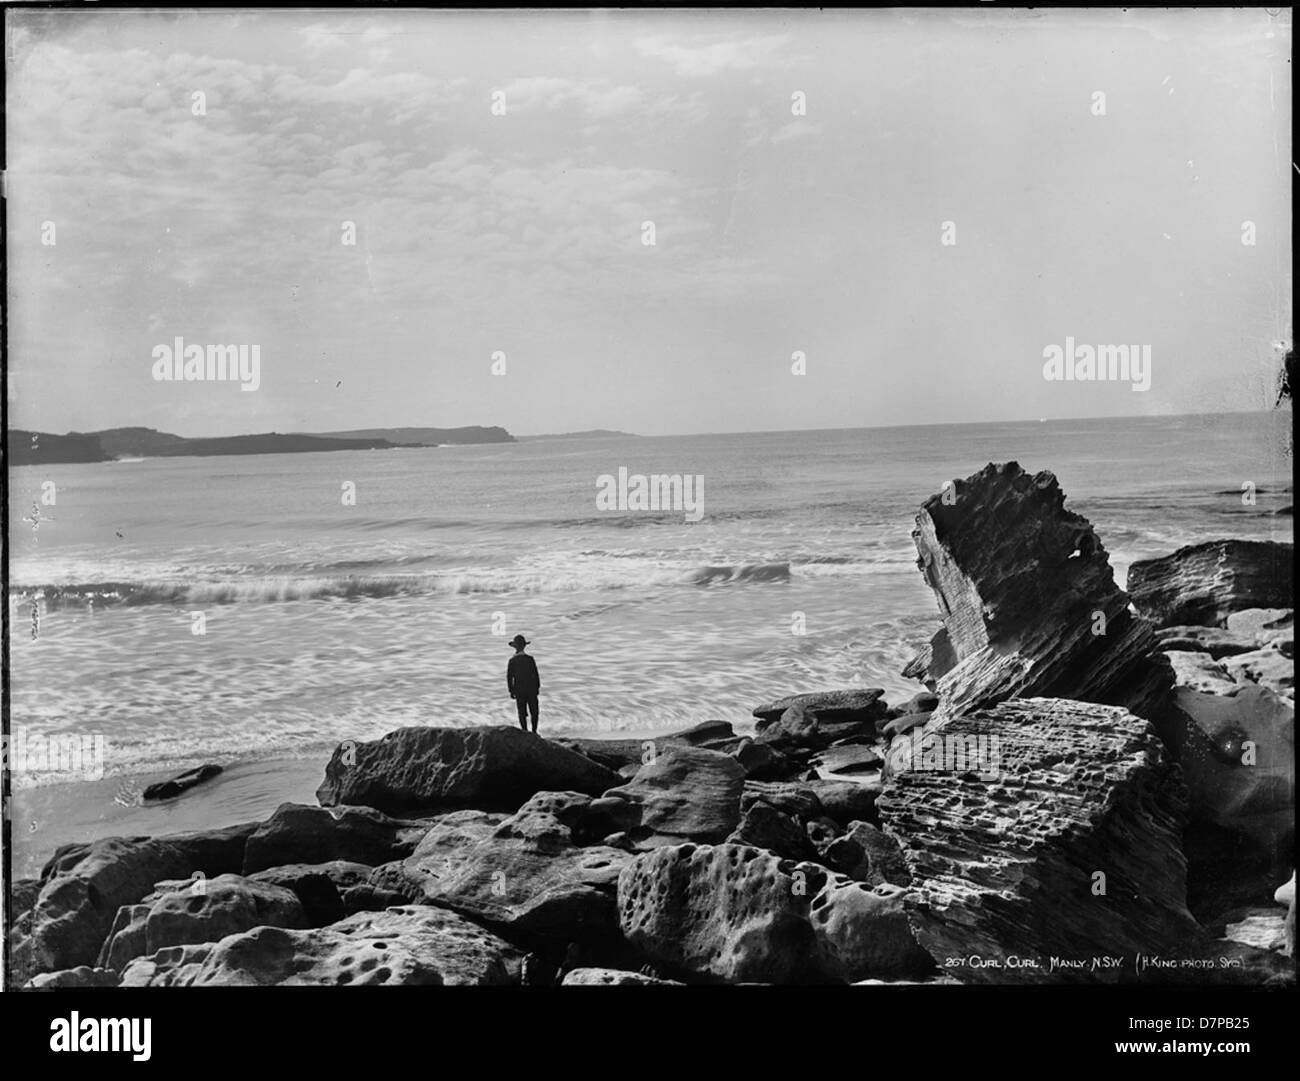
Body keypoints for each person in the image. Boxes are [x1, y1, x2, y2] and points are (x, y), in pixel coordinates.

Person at [506, 634, 540, 733]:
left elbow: (509, 677)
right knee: (534, 711)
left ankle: (524, 731)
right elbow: (536, 675)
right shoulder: (530, 659)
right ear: (524, 646)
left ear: (515, 647)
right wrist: (537, 687)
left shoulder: (512, 661)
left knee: (522, 712)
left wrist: (511, 690)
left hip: (519, 690)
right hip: (531, 689)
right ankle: (534, 731)